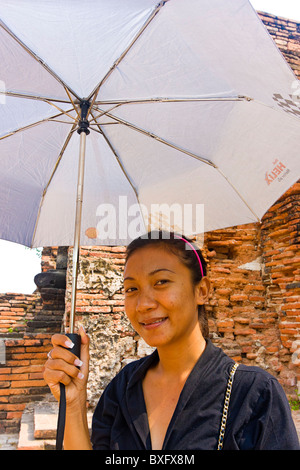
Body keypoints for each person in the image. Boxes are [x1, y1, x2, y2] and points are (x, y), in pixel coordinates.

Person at [44, 231, 299, 450]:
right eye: (132, 289)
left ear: (202, 290)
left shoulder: (254, 394)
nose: (143, 304)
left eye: (161, 282)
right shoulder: (122, 389)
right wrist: (74, 403)